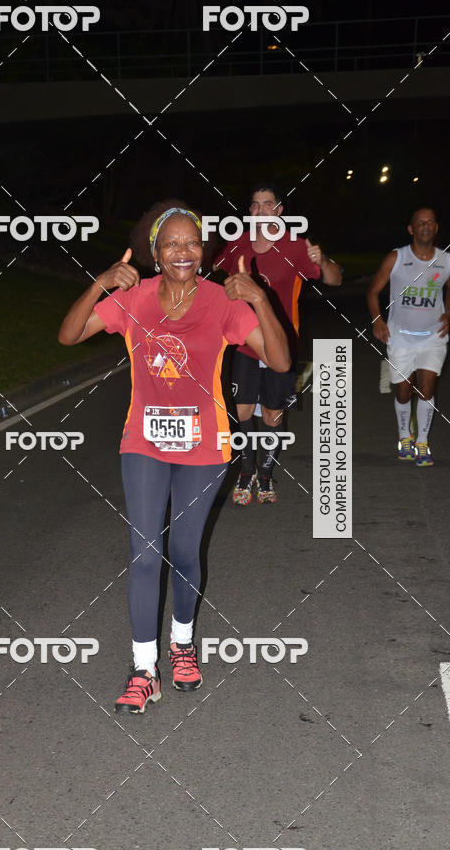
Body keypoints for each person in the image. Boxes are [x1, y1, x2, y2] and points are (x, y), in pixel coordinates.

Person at [58, 200, 290, 714]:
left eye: (191, 242)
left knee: (184, 553)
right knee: (144, 555)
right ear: (156, 253)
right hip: (143, 441)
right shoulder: (134, 298)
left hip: (205, 445)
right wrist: (101, 282)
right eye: (172, 244)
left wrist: (260, 299)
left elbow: (279, 359)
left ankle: (181, 642)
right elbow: (68, 334)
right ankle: (145, 669)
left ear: (201, 251)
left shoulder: (223, 302)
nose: (183, 250)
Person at [215, 182, 342, 504]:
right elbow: (213, 276)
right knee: (241, 409)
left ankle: (267, 475)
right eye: (255, 205)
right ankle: (246, 470)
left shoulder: (295, 245)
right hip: (245, 343)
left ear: (279, 211)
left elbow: (334, 279)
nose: (260, 211)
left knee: (272, 415)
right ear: (249, 211)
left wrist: (323, 259)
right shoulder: (237, 244)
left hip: (280, 347)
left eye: (267, 204)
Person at [367, 207, 450, 466]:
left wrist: (449, 313)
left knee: (426, 389)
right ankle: (405, 435)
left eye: (430, 223)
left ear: (436, 228)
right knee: (404, 392)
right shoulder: (397, 258)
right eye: (420, 223)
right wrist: (377, 320)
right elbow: (372, 292)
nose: (425, 226)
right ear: (411, 229)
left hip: (432, 337)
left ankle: (422, 443)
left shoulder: (446, 260)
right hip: (400, 337)